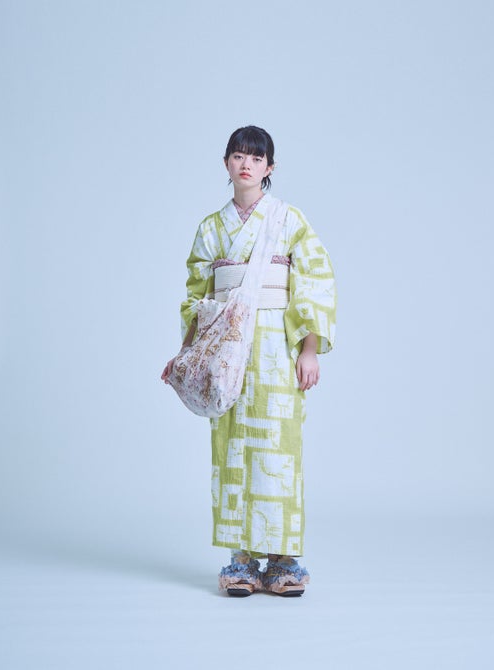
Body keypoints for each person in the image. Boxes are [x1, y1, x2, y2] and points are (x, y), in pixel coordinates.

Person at [161, 126, 336, 597]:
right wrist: (189, 353)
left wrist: (308, 349)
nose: (247, 165)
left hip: (277, 345)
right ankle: (241, 559)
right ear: (226, 163)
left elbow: (314, 284)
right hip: (226, 351)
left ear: (269, 167)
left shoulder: (289, 220)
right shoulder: (210, 228)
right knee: (232, 445)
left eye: (257, 159)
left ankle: (283, 560)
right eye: (239, 156)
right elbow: (196, 296)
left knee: (281, 446)